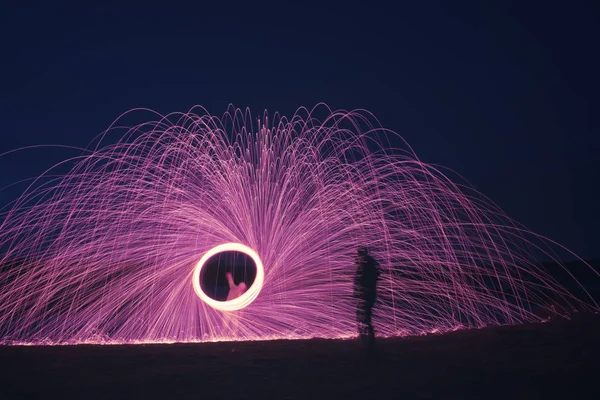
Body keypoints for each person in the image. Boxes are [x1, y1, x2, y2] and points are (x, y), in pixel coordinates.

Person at [354, 246, 380, 354]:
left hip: (366, 295)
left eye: (359, 254)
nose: (357, 256)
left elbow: (363, 281)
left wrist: (360, 292)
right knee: (363, 317)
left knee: (364, 317)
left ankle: (368, 343)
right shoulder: (366, 265)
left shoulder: (367, 266)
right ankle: (366, 341)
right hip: (365, 295)